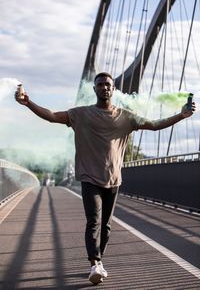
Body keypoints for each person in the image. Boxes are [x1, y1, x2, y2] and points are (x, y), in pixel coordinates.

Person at [15, 72, 195, 284]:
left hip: (114, 179)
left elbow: (155, 125)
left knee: (106, 227)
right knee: (94, 221)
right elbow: (53, 115)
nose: (104, 88)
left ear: (113, 89)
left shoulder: (126, 117)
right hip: (89, 177)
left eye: (108, 85)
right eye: (100, 85)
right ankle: (94, 263)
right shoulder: (80, 114)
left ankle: (99, 261)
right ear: (95, 89)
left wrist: (181, 115)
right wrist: (28, 103)